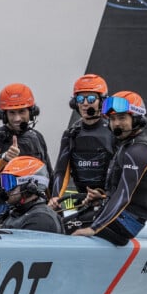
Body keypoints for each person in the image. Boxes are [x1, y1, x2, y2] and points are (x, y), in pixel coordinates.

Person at [72, 91, 147, 246]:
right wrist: (103, 197)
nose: (116, 123)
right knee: (58, 221)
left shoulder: (138, 150)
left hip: (124, 225)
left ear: (137, 119)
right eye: (112, 119)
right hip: (120, 219)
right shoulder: (129, 146)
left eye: (122, 117)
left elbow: (124, 195)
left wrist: (94, 229)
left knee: (58, 228)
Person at [0, 83, 52, 220]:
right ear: (4, 115)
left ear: (31, 112)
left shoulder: (37, 136)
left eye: (22, 112)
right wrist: (4, 158)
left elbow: (48, 172)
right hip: (3, 205)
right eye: (12, 113)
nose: (17, 118)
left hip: (36, 203)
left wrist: (53, 199)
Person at [48, 74, 115, 225]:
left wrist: (105, 194)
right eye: (80, 99)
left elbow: (120, 170)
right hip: (81, 201)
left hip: (108, 201)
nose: (85, 104)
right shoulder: (71, 133)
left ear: (101, 101)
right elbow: (61, 171)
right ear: (74, 103)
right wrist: (55, 197)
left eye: (91, 99)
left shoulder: (112, 131)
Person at [0, 156, 64, 234]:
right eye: (5, 182)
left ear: (30, 187)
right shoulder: (16, 213)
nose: (6, 190)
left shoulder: (41, 219)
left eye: (10, 183)